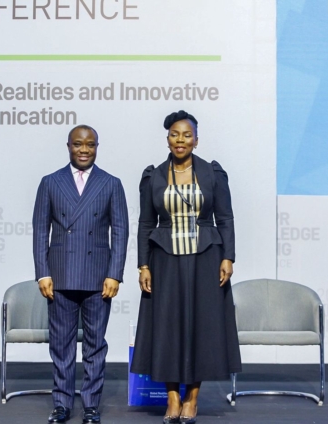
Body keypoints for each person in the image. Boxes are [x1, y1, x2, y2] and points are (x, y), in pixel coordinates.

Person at [130, 111, 242, 424]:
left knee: (202, 326)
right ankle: (172, 397)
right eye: (175, 135)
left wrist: (228, 257)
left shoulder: (212, 173)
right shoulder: (153, 176)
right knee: (166, 326)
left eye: (187, 135)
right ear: (167, 139)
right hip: (165, 260)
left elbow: (225, 217)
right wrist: (143, 265)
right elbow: (145, 222)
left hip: (206, 258)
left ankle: (192, 398)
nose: (180, 140)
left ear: (196, 140)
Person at [33, 124, 129, 424]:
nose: (84, 149)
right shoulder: (50, 182)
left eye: (90, 144)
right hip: (60, 275)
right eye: (78, 144)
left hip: (98, 277)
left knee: (95, 344)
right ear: (68, 146)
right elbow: (40, 230)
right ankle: (61, 403)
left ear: (97, 147)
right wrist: (42, 273)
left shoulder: (111, 183)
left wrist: (115, 274)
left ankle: (90, 405)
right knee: (61, 345)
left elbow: (120, 232)